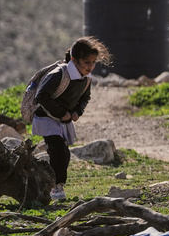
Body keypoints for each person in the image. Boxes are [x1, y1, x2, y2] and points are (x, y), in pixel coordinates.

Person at [32, 37, 112, 201]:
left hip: (63, 120)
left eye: (93, 62)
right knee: (58, 150)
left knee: (64, 154)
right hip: (46, 117)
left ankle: (54, 184)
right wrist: (63, 113)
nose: (90, 67)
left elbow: (84, 99)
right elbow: (42, 96)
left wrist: (77, 112)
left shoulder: (86, 79)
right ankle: (55, 188)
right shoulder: (59, 74)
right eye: (86, 62)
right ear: (74, 60)